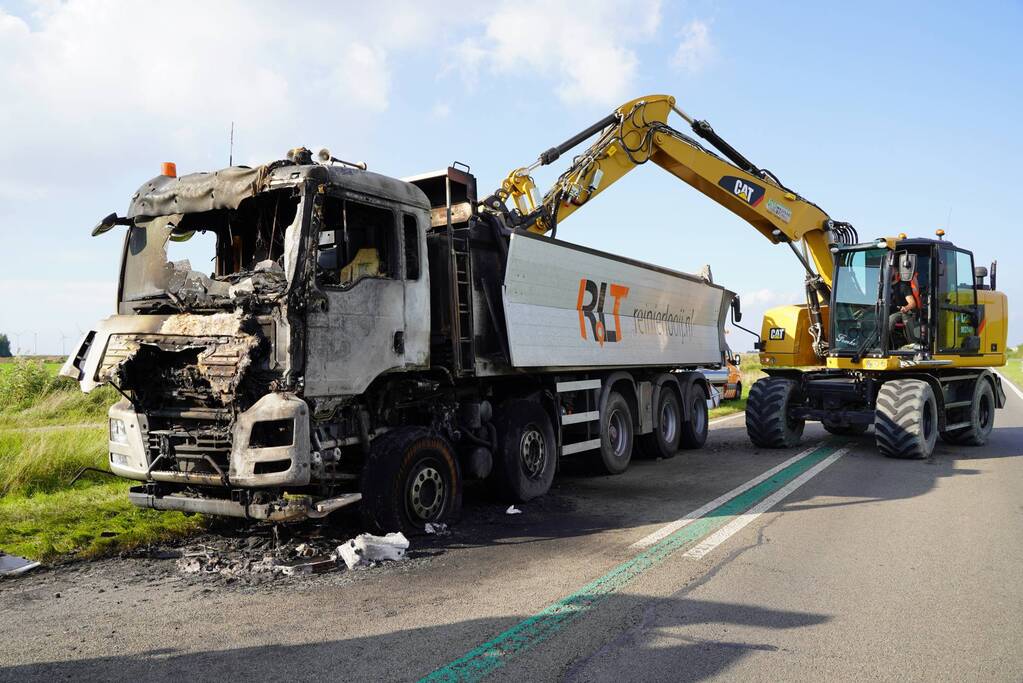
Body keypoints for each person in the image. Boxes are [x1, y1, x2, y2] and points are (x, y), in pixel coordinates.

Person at [889, 255, 921, 347]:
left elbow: (912, 304)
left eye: (891, 270)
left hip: (901, 312)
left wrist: (905, 308)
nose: (887, 272)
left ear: (896, 271)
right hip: (887, 310)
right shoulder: (884, 287)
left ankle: (913, 344)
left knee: (890, 321)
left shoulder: (903, 286)